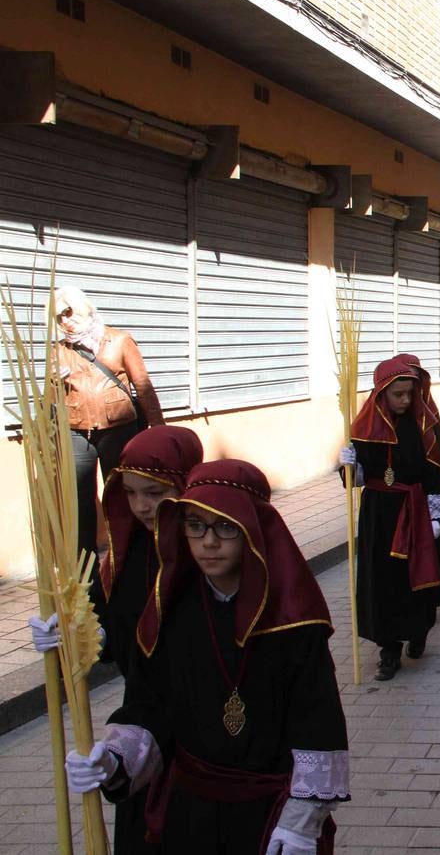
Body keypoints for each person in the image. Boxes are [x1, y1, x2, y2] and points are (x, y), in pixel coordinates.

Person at [66, 459, 349, 853]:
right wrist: (113, 758)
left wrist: (301, 822)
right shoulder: (173, 611)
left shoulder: (294, 622)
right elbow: (151, 705)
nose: (208, 542)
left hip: (270, 816)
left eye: (225, 527)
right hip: (190, 811)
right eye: (195, 526)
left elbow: (317, 722)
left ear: (255, 532)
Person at [29, 424, 203, 854]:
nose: (142, 507)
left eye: (155, 493)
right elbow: (113, 633)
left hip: (208, 729)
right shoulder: (130, 552)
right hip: (144, 721)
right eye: (130, 493)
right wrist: (72, 635)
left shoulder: (208, 549)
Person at [344, 356, 440, 681]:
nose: (406, 400)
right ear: (382, 394)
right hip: (379, 513)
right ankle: (388, 650)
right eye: (399, 395)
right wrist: (350, 465)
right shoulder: (363, 430)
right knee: (383, 582)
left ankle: (418, 629)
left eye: (410, 393)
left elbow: (434, 468)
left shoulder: (421, 424)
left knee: (413, 576)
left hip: (414, 509)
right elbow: (357, 478)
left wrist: (436, 516)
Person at [54, 286, 166, 557]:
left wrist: (159, 431)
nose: (64, 321)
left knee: (121, 494)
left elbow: (143, 385)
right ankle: (87, 570)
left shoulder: (119, 340)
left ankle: (131, 558)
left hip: (118, 428)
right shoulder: (59, 350)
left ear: (81, 307)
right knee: (80, 500)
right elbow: (52, 397)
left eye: (67, 312)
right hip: (77, 430)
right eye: (58, 317)